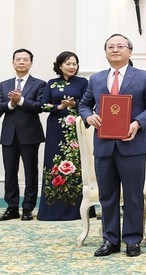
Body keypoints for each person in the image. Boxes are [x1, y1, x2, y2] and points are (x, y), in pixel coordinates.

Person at [78, 33, 146, 257]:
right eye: (110, 47)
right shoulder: (96, 79)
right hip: (104, 146)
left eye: (120, 46)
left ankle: (132, 240)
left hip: (132, 145)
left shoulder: (144, 77)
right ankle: (110, 240)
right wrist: (88, 116)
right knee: (107, 196)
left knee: (133, 196)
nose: (115, 50)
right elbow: (84, 105)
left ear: (129, 51)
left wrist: (137, 123)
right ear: (105, 52)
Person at [37, 51, 89, 221]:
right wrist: (59, 107)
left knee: (77, 162)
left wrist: (74, 104)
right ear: (60, 65)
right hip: (55, 127)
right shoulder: (51, 83)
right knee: (54, 161)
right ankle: (53, 210)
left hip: (76, 128)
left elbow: (89, 103)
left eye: (74, 64)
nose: (72, 67)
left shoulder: (83, 82)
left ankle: (77, 209)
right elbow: (42, 105)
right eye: (68, 63)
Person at [0, 49, 46, 221]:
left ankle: (28, 208)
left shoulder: (39, 84)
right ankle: (12, 207)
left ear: (31, 63)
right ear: (13, 63)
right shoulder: (4, 85)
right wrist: (11, 104)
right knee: (10, 173)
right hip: (9, 135)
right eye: (18, 59)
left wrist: (20, 100)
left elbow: (40, 106)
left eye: (25, 59)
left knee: (30, 172)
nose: (21, 62)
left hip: (30, 134)